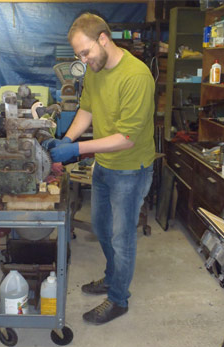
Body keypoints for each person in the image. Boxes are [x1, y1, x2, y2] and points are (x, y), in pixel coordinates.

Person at [45, 12, 155, 325]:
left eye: (86, 52)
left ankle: (119, 298)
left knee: (122, 238)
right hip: (104, 166)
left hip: (131, 169)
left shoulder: (137, 76)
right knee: (101, 227)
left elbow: (126, 139)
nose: (83, 60)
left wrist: (76, 149)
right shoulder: (95, 68)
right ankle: (111, 277)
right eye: (79, 54)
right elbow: (87, 109)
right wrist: (65, 138)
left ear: (103, 39)